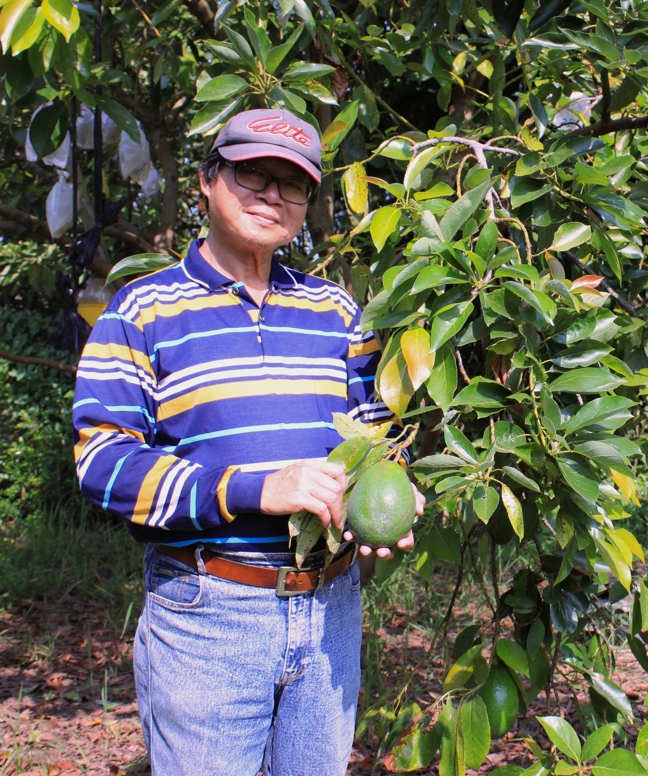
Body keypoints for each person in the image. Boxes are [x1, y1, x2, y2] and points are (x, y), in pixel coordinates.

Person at [72, 108, 421, 775]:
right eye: (251, 174)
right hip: (209, 613)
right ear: (207, 179)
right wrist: (255, 488)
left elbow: (377, 440)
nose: (271, 195)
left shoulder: (337, 312)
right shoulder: (143, 311)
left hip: (329, 611)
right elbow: (103, 463)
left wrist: (393, 494)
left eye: (291, 184)